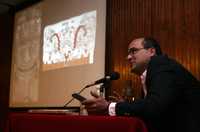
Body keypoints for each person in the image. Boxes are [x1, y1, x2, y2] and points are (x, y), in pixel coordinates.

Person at [82, 37, 200, 132]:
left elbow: (154, 106)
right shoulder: (150, 72)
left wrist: (110, 106)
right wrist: (126, 106)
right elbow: (153, 108)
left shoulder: (162, 65)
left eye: (133, 51)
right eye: (128, 53)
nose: (128, 57)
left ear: (151, 51)